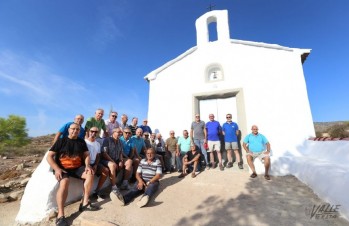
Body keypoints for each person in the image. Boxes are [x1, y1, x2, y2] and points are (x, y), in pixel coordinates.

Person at [47, 123, 98, 226]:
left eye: (77, 130)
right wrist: (56, 169)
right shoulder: (61, 141)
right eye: (73, 129)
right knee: (65, 182)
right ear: (69, 130)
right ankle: (60, 215)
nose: (75, 131)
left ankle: (84, 203)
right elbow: (49, 156)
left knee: (90, 174)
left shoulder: (81, 141)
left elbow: (87, 155)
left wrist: (87, 165)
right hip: (62, 168)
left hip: (77, 168)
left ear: (79, 131)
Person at [100, 128, 127, 201]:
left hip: (116, 159)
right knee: (112, 165)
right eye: (118, 132)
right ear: (113, 132)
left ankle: (118, 182)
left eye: (120, 133)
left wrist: (121, 160)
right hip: (106, 160)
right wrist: (113, 161)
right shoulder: (107, 140)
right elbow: (104, 153)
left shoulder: (120, 142)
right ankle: (114, 187)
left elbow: (121, 152)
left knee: (122, 164)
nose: (119, 134)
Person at [85, 127, 109, 199]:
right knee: (89, 175)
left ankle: (97, 191)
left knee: (106, 171)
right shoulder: (84, 142)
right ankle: (85, 196)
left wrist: (95, 164)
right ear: (89, 131)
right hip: (85, 164)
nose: (94, 133)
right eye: (92, 131)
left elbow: (98, 156)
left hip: (94, 163)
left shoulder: (97, 144)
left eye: (96, 132)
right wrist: (88, 165)